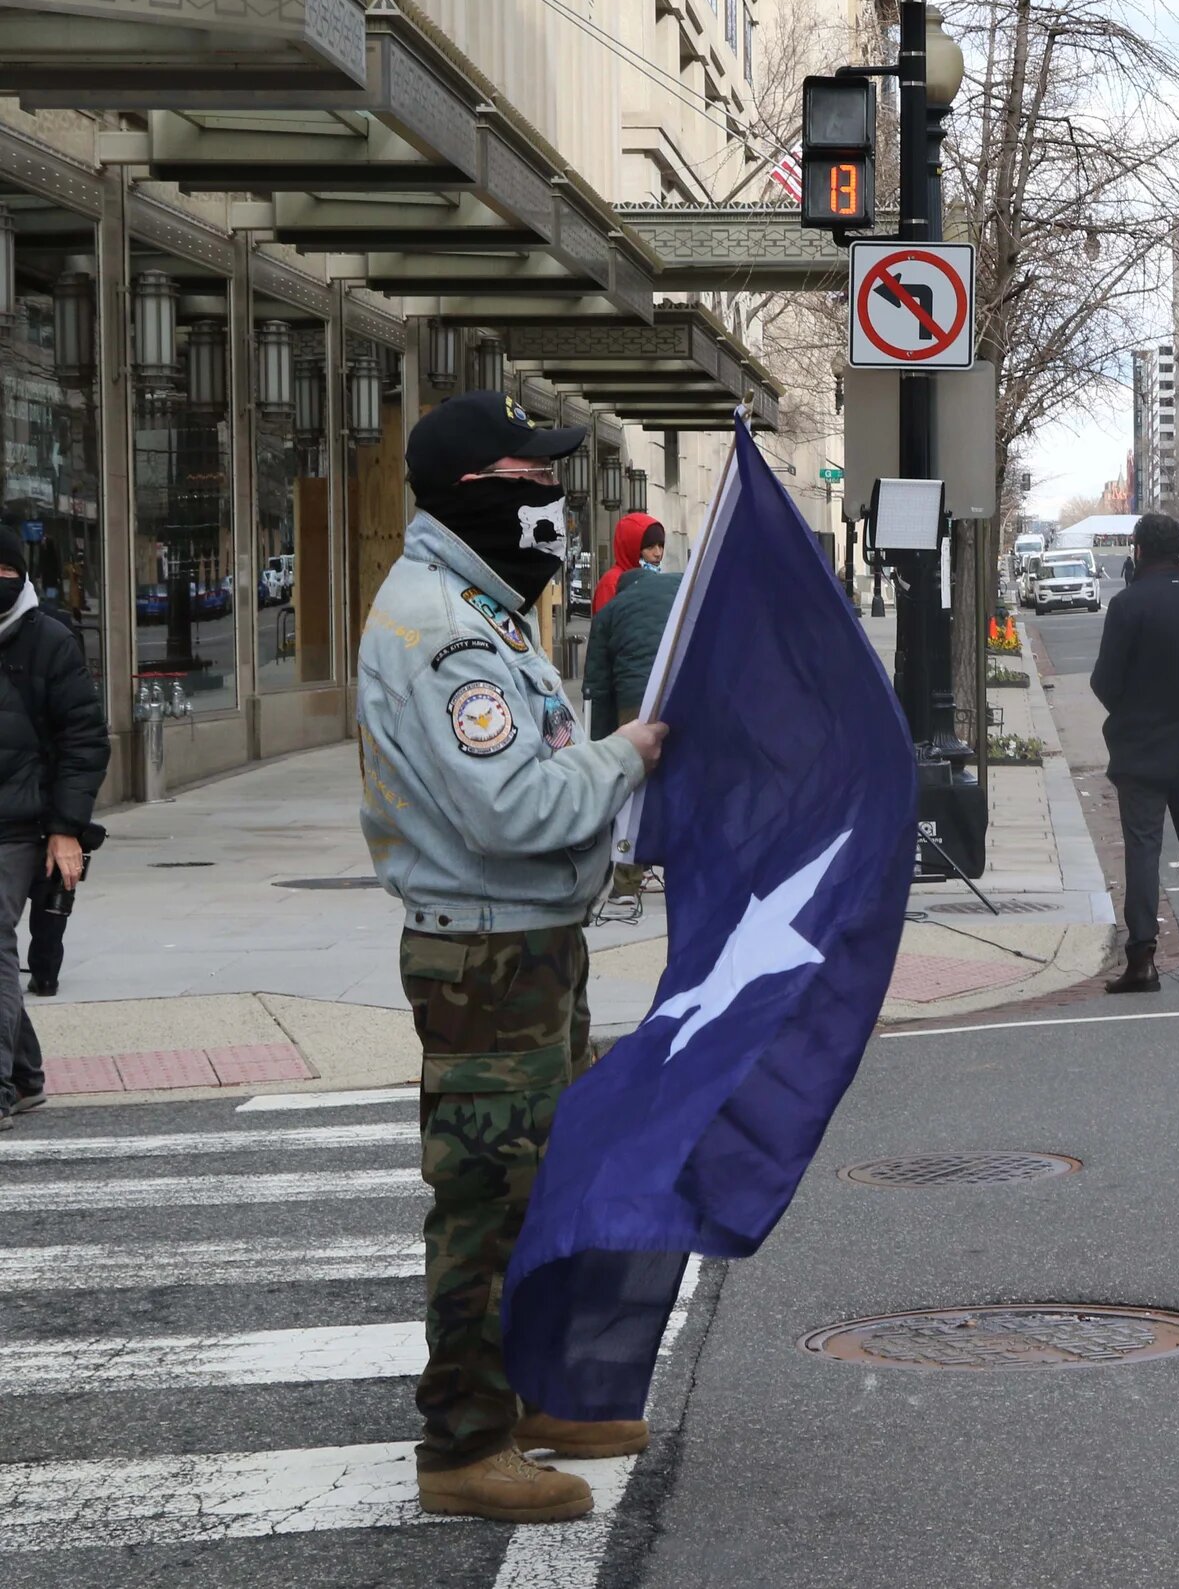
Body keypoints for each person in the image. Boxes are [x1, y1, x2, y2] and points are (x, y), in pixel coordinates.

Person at [357, 391, 668, 1522]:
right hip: (486, 959)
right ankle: (465, 1442)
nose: (553, 498)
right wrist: (626, 756)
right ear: (476, 492)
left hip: (526, 949)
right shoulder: (443, 629)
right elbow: (517, 808)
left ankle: (528, 1392)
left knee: (546, 1184)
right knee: (490, 1195)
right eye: (532, 477)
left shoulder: (484, 611)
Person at [1090, 512, 1179, 993]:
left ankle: (1143, 959)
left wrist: (1133, 709)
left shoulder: (1128, 605)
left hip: (1141, 745)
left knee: (1143, 849)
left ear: (1140, 550)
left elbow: (1104, 681)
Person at [0, 529, 107, 1131]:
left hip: (21, 826)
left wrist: (66, 828)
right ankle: (25, 1075)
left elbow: (84, 741)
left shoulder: (50, 641)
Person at [584, 518, 685, 908]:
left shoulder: (617, 600)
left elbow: (598, 673)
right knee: (677, 781)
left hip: (633, 700)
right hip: (675, 696)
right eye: (649, 547)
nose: (656, 554)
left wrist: (600, 740)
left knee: (633, 788)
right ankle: (682, 870)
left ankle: (627, 879)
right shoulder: (636, 587)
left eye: (660, 547)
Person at [590, 510, 659, 614]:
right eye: (650, 547)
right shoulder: (612, 582)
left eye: (661, 546)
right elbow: (604, 626)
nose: (658, 553)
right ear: (633, 548)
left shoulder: (654, 579)